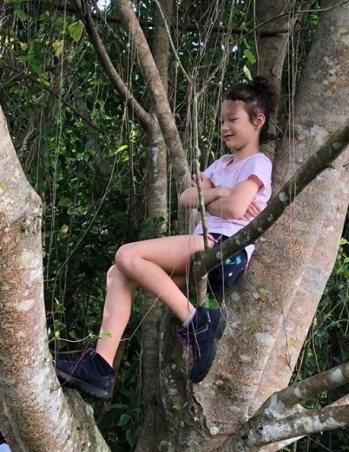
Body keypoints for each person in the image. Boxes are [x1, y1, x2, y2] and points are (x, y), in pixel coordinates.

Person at [55, 77, 279, 400]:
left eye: (233, 120)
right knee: (118, 274)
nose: (225, 127)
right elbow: (186, 198)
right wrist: (219, 190)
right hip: (204, 247)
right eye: (221, 121)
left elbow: (235, 208)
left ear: (258, 122)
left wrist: (213, 194)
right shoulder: (222, 164)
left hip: (223, 249)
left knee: (127, 256)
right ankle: (101, 368)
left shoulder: (258, 163)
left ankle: (197, 321)